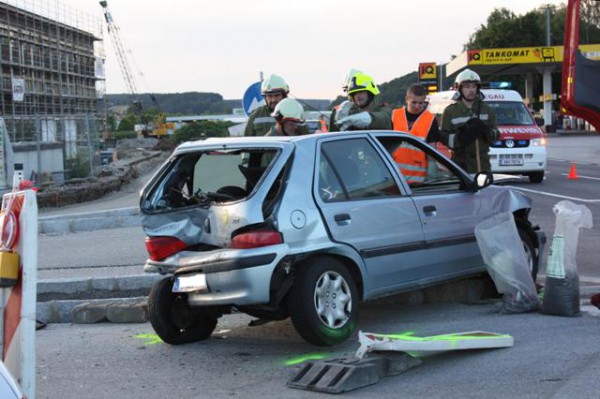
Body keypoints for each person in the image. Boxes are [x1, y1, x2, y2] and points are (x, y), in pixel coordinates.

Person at [440, 69, 498, 173]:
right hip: (460, 165)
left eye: (474, 86)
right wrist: (461, 137)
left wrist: (486, 131)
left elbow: (496, 134)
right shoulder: (450, 111)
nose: (471, 90)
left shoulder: (487, 109)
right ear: (459, 89)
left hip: (482, 164)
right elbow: (444, 137)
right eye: (467, 86)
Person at [391, 83, 442, 184]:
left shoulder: (430, 119)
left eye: (421, 103)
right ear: (406, 99)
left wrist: (431, 170)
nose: (417, 106)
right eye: (414, 102)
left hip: (417, 179)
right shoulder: (395, 115)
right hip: (395, 176)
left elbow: (431, 149)